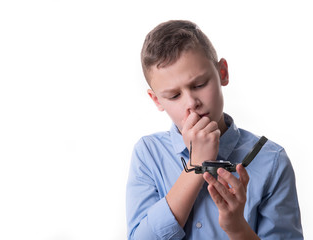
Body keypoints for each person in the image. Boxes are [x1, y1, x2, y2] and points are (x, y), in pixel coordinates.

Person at [126, 20, 303, 240]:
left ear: (223, 73)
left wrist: (237, 227)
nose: (191, 102)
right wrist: (196, 163)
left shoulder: (272, 160)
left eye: (199, 85)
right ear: (157, 100)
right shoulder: (148, 154)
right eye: (174, 96)